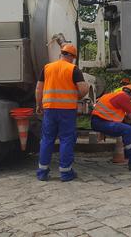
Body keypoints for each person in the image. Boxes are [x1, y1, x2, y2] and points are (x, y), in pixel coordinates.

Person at [35, 43, 89, 182]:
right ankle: (65, 173)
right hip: (67, 110)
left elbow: (38, 89)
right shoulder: (73, 69)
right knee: (66, 139)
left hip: (49, 109)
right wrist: (76, 97)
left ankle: (42, 172)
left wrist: (38, 104)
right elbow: (83, 90)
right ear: (71, 56)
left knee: (47, 139)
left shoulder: (47, 67)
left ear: (61, 54)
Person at [90, 85, 131, 173]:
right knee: (128, 130)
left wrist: (130, 120)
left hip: (99, 121)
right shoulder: (124, 97)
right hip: (101, 122)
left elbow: (117, 114)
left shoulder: (112, 95)